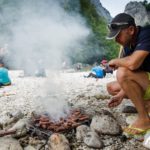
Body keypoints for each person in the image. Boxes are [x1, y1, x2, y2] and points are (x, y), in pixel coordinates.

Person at [106, 13, 150, 136]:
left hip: (147, 80)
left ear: (131, 30)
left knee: (122, 72)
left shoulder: (147, 34)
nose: (116, 40)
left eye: (118, 35)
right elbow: (132, 77)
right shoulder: (127, 46)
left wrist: (116, 61)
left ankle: (144, 119)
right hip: (146, 81)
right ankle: (147, 104)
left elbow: (133, 64)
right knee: (112, 88)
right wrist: (120, 95)